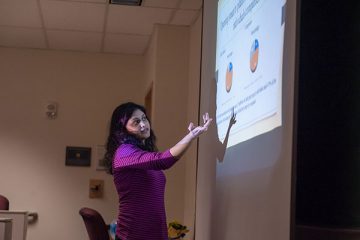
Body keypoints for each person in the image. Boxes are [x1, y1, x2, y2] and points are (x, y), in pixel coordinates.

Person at [104, 102, 212, 240]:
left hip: (155, 233)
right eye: (136, 122)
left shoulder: (140, 152)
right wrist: (191, 136)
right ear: (122, 128)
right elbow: (162, 160)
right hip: (133, 235)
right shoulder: (124, 152)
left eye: (144, 118)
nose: (143, 124)